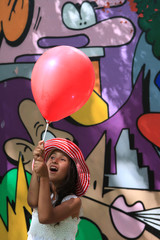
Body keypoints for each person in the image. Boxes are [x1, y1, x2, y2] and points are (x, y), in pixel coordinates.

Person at [27, 138, 90, 240]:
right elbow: (32, 202)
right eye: (52, 157)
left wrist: (44, 177)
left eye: (62, 159)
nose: (54, 161)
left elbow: (45, 218)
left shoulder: (74, 201)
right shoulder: (46, 195)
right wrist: (37, 166)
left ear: (71, 171)